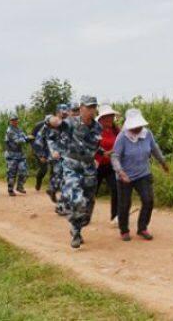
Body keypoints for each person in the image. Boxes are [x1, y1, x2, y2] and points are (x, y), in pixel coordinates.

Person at [43, 95, 102, 249]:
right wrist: (50, 119)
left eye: (94, 107)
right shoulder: (71, 123)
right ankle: (75, 232)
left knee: (88, 208)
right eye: (88, 107)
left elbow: (96, 146)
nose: (91, 110)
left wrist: (99, 157)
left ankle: (80, 225)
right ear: (81, 108)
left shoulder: (97, 127)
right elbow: (53, 122)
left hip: (89, 168)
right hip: (72, 166)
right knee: (77, 200)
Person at [111, 108, 169, 241]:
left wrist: (163, 162)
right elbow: (115, 157)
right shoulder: (122, 137)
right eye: (135, 125)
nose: (138, 127)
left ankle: (142, 228)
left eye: (139, 125)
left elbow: (154, 148)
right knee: (124, 204)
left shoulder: (147, 134)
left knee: (148, 200)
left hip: (143, 173)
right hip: (124, 175)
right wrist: (120, 172)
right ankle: (124, 230)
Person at [34, 103, 69, 197]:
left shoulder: (68, 125)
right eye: (63, 113)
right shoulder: (48, 125)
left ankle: (52, 189)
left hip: (68, 155)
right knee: (61, 174)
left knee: (61, 175)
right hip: (54, 155)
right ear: (57, 113)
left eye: (66, 113)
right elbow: (38, 140)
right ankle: (62, 200)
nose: (65, 115)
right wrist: (41, 155)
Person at [95, 105, 121, 225]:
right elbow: (91, 146)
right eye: (107, 117)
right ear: (101, 119)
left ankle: (115, 216)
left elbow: (122, 144)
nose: (110, 119)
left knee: (116, 189)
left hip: (110, 165)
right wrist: (104, 152)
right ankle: (84, 214)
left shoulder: (116, 130)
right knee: (92, 191)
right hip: (96, 165)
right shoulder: (95, 131)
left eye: (111, 117)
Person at [4, 114, 32, 196]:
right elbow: (18, 141)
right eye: (13, 120)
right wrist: (27, 138)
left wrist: (28, 138)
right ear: (10, 121)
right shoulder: (9, 131)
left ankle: (20, 186)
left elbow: (24, 137)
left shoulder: (19, 129)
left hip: (20, 154)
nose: (15, 121)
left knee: (24, 171)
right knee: (12, 173)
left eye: (16, 120)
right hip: (11, 155)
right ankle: (10, 190)